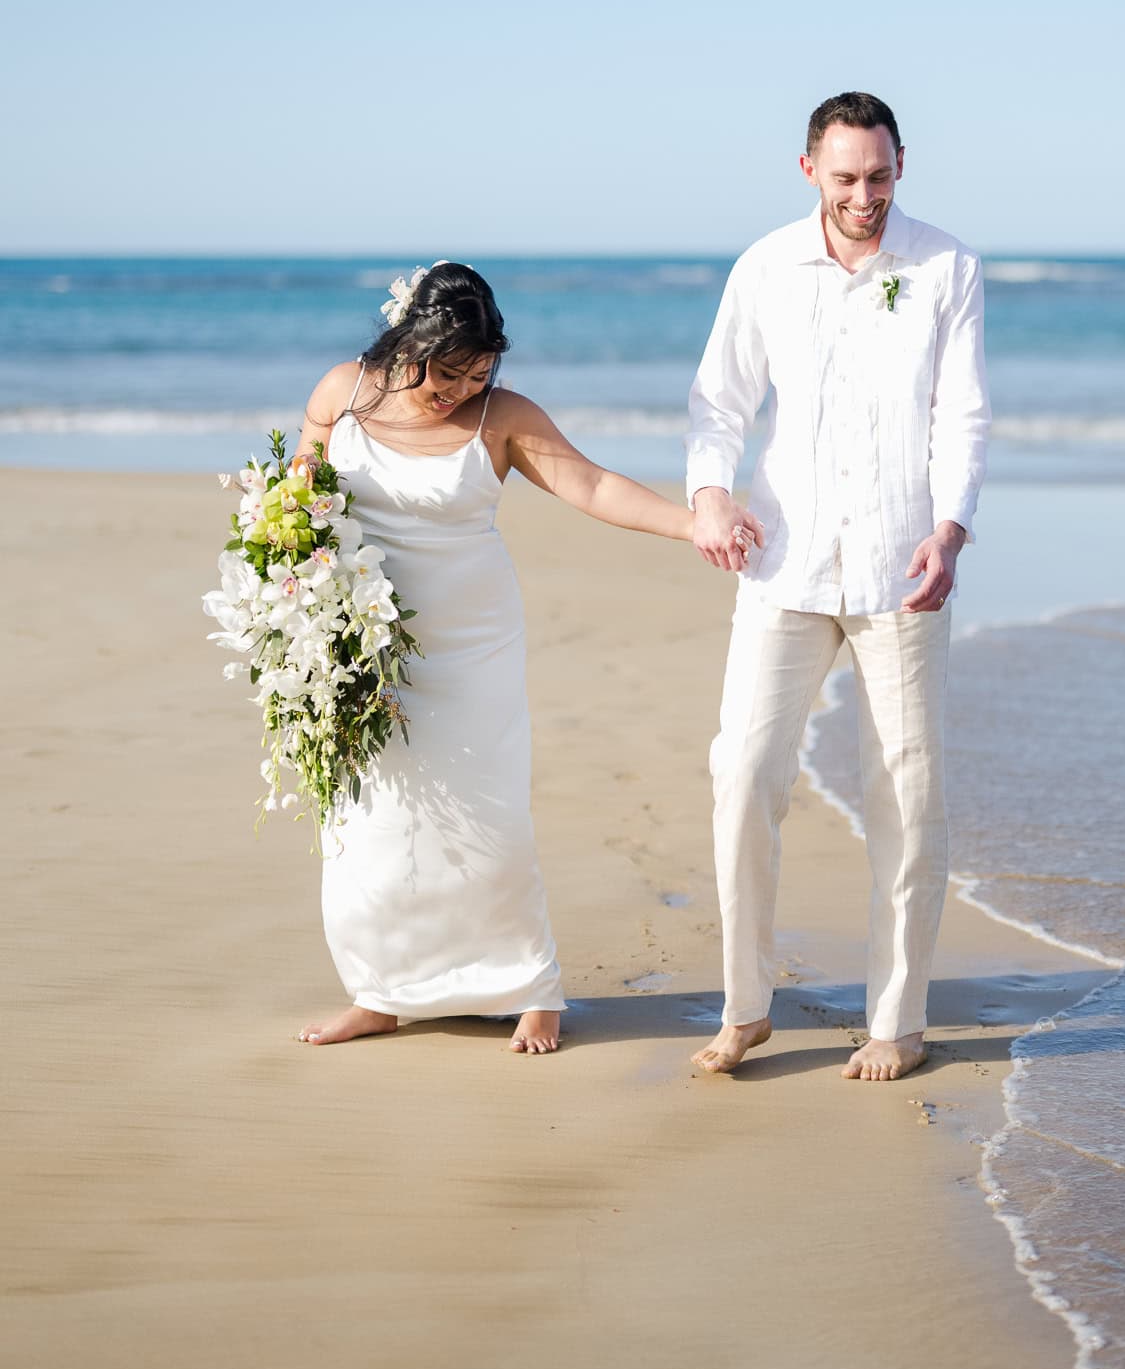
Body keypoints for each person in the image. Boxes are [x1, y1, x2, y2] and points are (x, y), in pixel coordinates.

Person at [292, 260, 719, 1053]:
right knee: (370, 818)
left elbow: (592, 486)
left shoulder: (504, 417)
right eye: (445, 372)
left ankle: (531, 988)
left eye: (478, 372)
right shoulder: (341, 391)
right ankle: (382, 992)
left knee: (486, 812)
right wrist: (291, 573)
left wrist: (692, 524)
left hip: (471, 642)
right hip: (362, 637)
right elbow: (302, 490)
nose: (457, 389)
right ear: (406, 344)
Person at [686, 93, 990, 1081]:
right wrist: (707, 498)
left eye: (882, 176)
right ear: (809, 167)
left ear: (903, 164)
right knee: (743, 775)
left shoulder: (947, 266)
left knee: (909, 792)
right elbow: (718, 401)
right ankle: (744, 1008)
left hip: (905, 570)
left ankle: (895, 1019)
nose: (865, 196)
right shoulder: (766, 266)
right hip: (784, 562)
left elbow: (963, 413)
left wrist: (950, 529)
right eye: (847, 177)